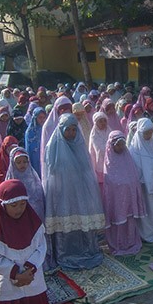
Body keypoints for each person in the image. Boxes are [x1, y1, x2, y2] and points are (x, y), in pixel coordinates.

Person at [43, 114, 105, 269]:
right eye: (68, 130)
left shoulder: (79, 143)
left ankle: (85, 249)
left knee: (81, 218)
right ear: (61, 130)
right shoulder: (54, 146)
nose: (71, 133)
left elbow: (86, 168)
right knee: (65, 220)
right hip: (62, 192)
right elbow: (51, 172)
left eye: (73, 129)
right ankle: (66, 253)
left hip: (79, 190)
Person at [102, 131, 146, 255]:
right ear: (112, 145)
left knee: (129, 220)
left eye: (123, 144)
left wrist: (128, 185)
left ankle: (130, 242)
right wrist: (122, 184)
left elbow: (133, 176)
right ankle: (118, 244)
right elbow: (110, 180)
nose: (121, 147)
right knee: (117, 221)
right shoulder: (109, 161)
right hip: (116, 199)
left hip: (128, 197)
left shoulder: (127, 158)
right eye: (118, 145)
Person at [129, 118, 153, 242]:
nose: (149, 135)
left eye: (150, 132)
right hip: (143, 188)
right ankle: (145, 234)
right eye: (146, 133)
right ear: (140, 133)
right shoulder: (134, 150)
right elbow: (135, 170)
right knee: (145, 211)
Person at [5, 147, 45, 220]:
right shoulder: (11, 178)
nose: (22, 164)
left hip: (35, 211)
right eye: (19, 162)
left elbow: (39, 194)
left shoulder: (33, 176)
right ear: (13, 163)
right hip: (19, 212)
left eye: (25, 162)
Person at [88, 111, 110, 196]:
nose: (103, 123)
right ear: (95, 123)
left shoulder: (109, 131)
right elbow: (98, 149)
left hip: (110, 164)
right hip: (99, 165)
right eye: (100, 121)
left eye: (104, 121)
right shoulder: (94, 135)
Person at [24, 107, 46, 177]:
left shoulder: (46, 129)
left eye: (44, 117)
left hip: (45, 156)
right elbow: (29, 148)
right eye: (40, 118)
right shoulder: (30, 131)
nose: (42, 120)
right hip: (35, 157)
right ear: (35, 118)